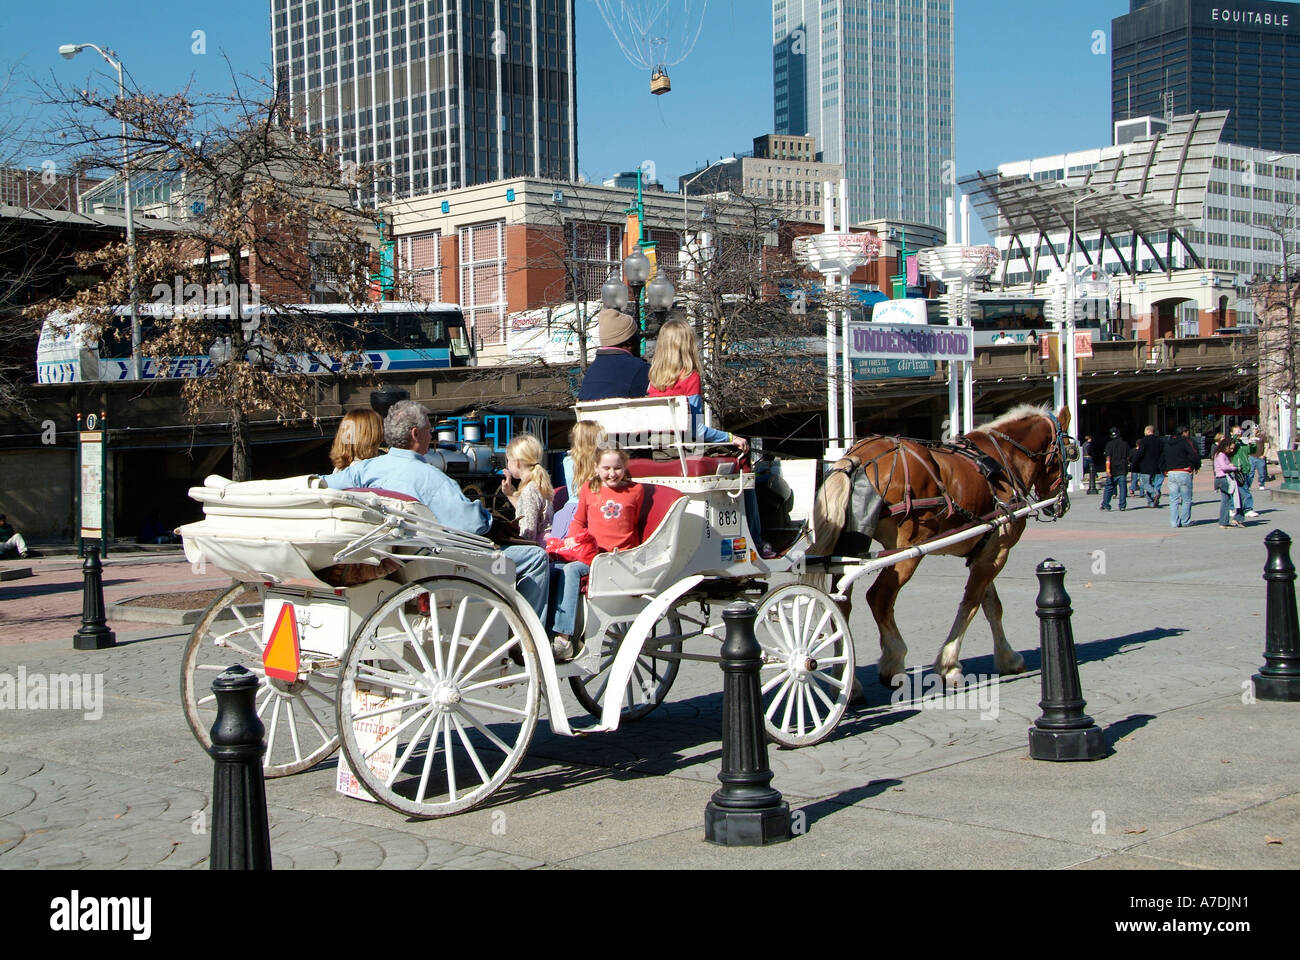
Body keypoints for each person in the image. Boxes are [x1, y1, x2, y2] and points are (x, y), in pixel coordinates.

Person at [322, 400, 549, 623]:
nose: (431, 438)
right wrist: (489, 518)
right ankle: (527, 636)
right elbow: (472, 525)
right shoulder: (430, 478)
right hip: (432, 561)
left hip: (378, 554)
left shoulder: (364, 470)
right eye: (429, 432)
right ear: (415, 434)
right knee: (536, 557)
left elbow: (323, 485)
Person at [647, 317, 773, 557]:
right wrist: (730, 436)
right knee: (742, 459)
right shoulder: (690, 377)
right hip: (685, 451)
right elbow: (696, 431)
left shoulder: (653, 383)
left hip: (661, 451)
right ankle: (755, 537)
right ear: (687, 346)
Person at [549, 445, 645, 662]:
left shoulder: (635, 491)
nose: (612, 473)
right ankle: (547, 627)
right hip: (591, 554)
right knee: (553, 568)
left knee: (572, 571)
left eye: (617, 468)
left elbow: (636, 525)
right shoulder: (589, 489)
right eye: (606, 468)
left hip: (616, 559)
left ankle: (563, 638)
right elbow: (579, 520)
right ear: (596, 468)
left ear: (625, 467)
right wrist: (571, 540)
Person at [577, 308, 650, 401]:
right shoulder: (641, 368)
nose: (640, 339)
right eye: (638, 335)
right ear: (629, 342)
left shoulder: (592, 371)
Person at [500, 433, 554, 547]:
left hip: (537, 548)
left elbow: (529, 530)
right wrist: (510, 494)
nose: (508, 464)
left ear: (517, 462)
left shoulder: (530, 490)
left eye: (508, 460)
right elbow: (528, 510)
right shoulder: (538, 484)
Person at [1162, 425, 1200, 528]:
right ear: (1184, 433)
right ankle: (1185, 521)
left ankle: (1174, 522)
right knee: (1186, 499)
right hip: (1183, 471)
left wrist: (1164, 469)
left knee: (1173, 499)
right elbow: (1194, 455)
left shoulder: (1167, 443)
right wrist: (1195, 466)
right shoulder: (1185, 442)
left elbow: (1162, 457)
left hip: (1171, 473)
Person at [1213, 437, 1246, 529]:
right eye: (1230, 448)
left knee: (1225, 500)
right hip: (1224, 478)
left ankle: (1223, 522)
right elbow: (1224, 467)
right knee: (1240, 496)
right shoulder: (1221, 455)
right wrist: (1234, 467)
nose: (1231, 450)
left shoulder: (1218, 454)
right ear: (1225, 446)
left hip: (1220, 479)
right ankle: (1238, 518)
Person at [1229, 425, 1260, 519]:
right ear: (1231, 433)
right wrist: (1235, 437)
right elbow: (1231, 446)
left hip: (1246, 469)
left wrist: (1252, 443)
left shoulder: (1243, 442)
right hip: (1237, 469)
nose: (1239, 433)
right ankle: (1247, 509)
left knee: (1241, 490)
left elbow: (1251, 451)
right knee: (1244, 490)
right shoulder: (1232, 442)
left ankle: (1234, 508)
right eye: (1236, 431)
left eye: (1240, 431)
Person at [1131, 425, 1165, 509]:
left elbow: (1140, 453)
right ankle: (1151, 502)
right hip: (1156, 466)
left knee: (1145, 483)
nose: (1144, 433)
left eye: (1145, 431)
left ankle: (1154, 494)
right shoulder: (1159, 441)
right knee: (1152, 484)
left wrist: (1134, 461)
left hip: (1146, 466)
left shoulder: (1144, 441)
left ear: (1148, 431)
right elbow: (1162, 454)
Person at [1101, 427, 1132, 512]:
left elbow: (1108, 457)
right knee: (1122, 488)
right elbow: (1128, 457)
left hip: (1112, 468)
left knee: (1109, 487)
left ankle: (1106, 504)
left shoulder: (1109, 444)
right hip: (1122, 468)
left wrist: (1108, 470)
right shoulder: (1125, 444)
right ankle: (1122, 505)